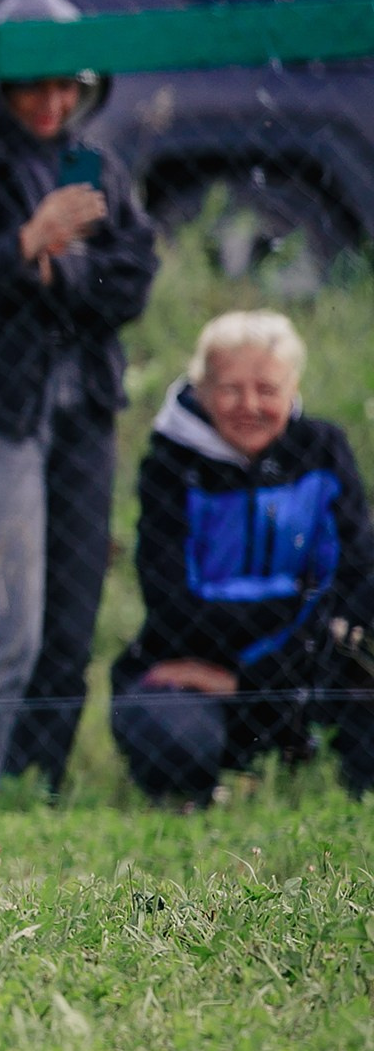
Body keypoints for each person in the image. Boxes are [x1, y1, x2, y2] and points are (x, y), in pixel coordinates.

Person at [0, 72, 159, 798]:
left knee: (71, 627)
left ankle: (32, 790)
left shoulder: (92, 166)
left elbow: (133, 277)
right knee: (10, 627)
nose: (51, 106)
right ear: (0, 88)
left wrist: (62, 271)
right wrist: (23, 244)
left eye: (65, 90)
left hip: (84, 413)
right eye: (32, 90)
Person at [109, 312, 374, 803]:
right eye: (230, 389)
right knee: (174, 737)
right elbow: (174, 608)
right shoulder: (169, 466)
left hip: (301, 673)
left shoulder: (324, 450)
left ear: (293, 388)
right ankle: (198, 795)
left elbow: (352, 587)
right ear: (202, 388)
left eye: (267, 390)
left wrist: (247, 679)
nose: (249, 406)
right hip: (196, 674)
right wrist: (296, 606)